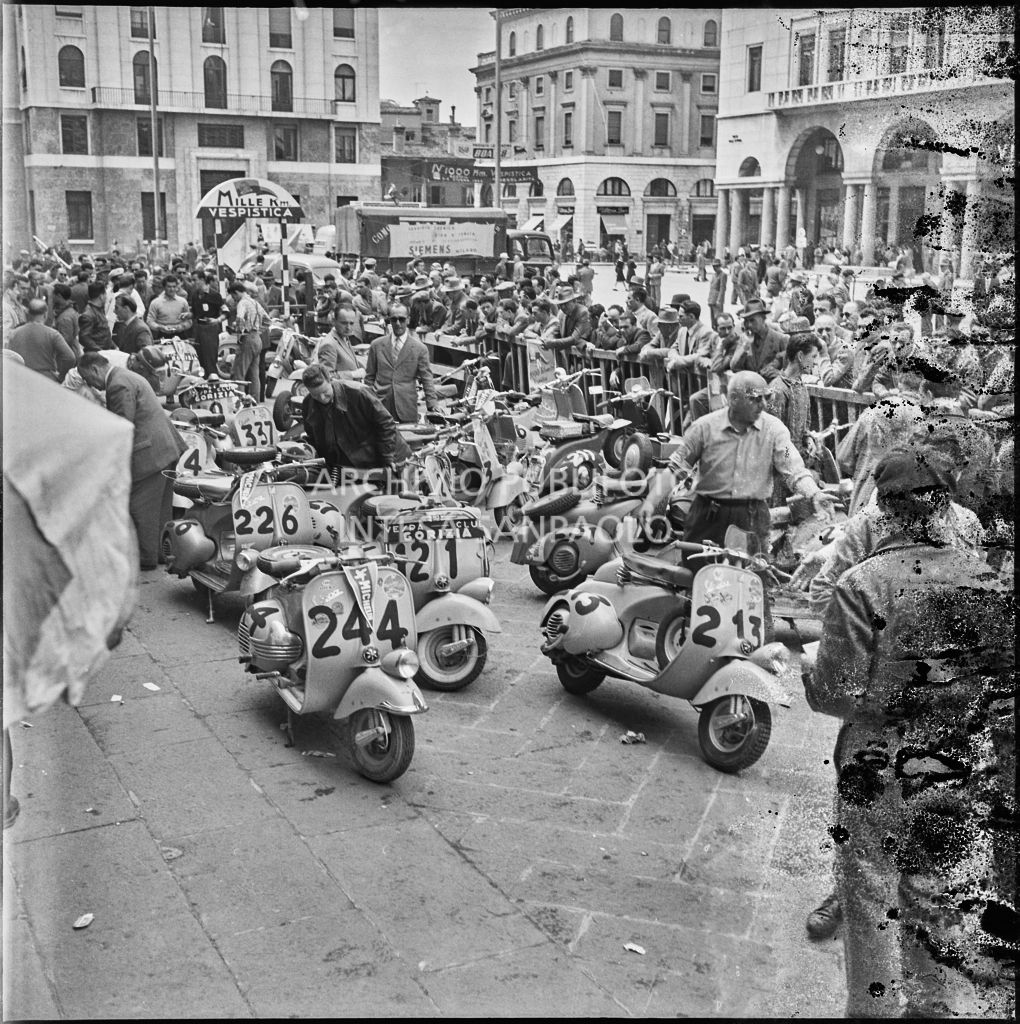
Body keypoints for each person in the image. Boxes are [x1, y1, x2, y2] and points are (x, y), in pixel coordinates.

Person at [807, 446, 1014, 1018]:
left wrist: (807, 672)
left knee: (870, 897)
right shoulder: (994, 580)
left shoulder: (862, 584)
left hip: (879, 765)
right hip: (960, 760)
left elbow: (836, 695)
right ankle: (935, 1008)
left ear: (885, 510)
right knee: (937, 897)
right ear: (945, 506)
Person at [667, 370, 835, 556]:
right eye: (755, 399)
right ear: (733, 399)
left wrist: (814, 494)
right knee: (697, 575)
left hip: (752, 519)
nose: (763, 404)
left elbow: (794, 466)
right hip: (707, 515)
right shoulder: (703, 427)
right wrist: (651, 505)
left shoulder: (775, 430)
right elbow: (674, 470)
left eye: (766, 397)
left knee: (752, 576)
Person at [77, 351, 187, 569]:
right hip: (164, 449)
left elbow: (122, 426)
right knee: (161, 508)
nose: (92, 386)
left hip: (149, 455)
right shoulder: (128, 376)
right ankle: (160, 554)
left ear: (95, 369)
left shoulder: (117, 384)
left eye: (88, 379)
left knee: (141, 508)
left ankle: (146, 559)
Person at [301, 363, 410, 476]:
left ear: (330, 380)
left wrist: (388, 458)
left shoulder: (359, 393)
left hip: (385, 455)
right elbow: (312, 436)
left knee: (396, 491)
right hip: (349, 465)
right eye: (316, 395)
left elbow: (386, 424)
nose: (322, 398)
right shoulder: (308, 404)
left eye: (325, 392)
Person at [364, 303, 438, 423]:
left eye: (402, 319)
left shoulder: (420, 349)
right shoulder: (376, 345)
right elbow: (369, 377)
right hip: (381, 407)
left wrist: (433, 405)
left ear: (408, 320)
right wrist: (369, 402)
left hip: (407, 407)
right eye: (394, 319)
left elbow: (427, 379)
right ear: (389, 320)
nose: (398, 323)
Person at [765, 331, 823, 459]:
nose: (815, 362)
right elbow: (773, 439)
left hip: (799, 460)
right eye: (813, 356)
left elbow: (804, 427)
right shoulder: (778, 390)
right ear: (801, 356)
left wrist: (808, 438)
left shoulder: (800, 385)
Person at [5, 298, 77, 383]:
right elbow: (70, 357)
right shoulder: (52, 334)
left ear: (28, 313)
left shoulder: (14, 333)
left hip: (21, 379)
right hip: (46, 379)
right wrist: (61, 376)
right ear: (45, 314)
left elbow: (7, 356)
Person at [729, 298, 787, 381]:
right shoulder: (745, 339)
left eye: (752, 320)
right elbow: (734, 367)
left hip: (773, 389)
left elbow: (791, 372)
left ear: (763, 318)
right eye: (746, 321)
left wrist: (779, 374)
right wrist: (745, 346)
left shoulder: (780, 339)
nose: (749, 324)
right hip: (750, 389)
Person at [314, 305, 365, 381]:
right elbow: (326, 376)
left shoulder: (344, 337)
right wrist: (353, 374)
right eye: (344, 323)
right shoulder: (329, 344)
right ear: (334, 321)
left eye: (351, 323)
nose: (348, 327)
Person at [190, 273, 225, 378]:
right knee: (199, 355)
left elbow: (225, 312)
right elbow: (194, 312)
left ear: (202, 280)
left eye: (194, 280)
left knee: (209, 356)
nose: (193, 283)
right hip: (198, 328)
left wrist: (217, 320)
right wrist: (188, 315)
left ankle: (213, 379)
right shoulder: (195, 294)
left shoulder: (214, 295)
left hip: (210, 329)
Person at [145, 275, 193, 340]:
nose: (172, 289)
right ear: (164, 287)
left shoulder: (183, 301)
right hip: (162, 335)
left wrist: (181, 327)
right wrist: (160, 327)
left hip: (180, 335)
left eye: (174, 286)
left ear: (177, 287)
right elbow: (150, 321)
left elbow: (189, 321)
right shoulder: (155, 302)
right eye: (169, 287)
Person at [77, 281, 114, 352]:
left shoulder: (99, 310)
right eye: (105, 294)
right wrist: (99, 351)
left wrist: (113, 346)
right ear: (101, 296)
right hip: (95, 357)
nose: (106, 297)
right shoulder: (88, 314)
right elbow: (83, 338)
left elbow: (104, 332)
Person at [51, 282, 80, 357]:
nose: (52, 296)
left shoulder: (65, 318)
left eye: (53, 294)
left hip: (66, 357)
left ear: (59, 296)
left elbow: (65, 342)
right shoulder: (69, 310)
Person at [707, 259, 727, 328]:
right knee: (712, 317)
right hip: (712, 298)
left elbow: (722, 288)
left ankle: (719, 328)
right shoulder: (714, 275)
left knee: (718, 316)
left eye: (716, 266)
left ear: (719, 266)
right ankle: (714, 328)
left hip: (717, 299)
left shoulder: (723, 275)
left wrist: (719, 300)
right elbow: (712, 287)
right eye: (713, 266)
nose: (714, 268)